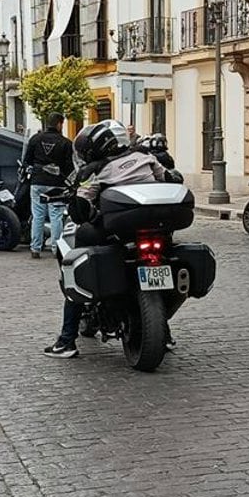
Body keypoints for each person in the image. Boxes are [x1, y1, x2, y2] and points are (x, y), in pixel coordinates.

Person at [44, 120, 175, 358]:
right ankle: (164, 334)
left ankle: (66, 341)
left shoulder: (95, 170)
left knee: (73, 264)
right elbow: (168, 178)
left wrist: (89, 213)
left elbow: (82, 203)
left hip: (117, 230)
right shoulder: (145, 156)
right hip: (155, 227)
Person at [22, 115, 75, 260]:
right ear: (59, 124)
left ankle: (35, 248)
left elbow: (27, 161)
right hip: (56, 184)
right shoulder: (66, 143)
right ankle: (56, 248)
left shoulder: (35, 139)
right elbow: (69, 166)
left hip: (37, 181)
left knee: (37, 215)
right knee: (56, 216)